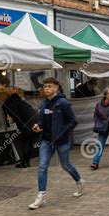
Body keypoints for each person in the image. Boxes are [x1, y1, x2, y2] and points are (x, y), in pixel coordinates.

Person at [29, 78, 84, 209]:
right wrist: (38, 126)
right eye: (44, 86)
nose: (46, 88)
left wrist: (62, 132)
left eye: (49, 86)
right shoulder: (43, 104)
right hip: (46, 140)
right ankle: (41, 196)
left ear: (56, 88)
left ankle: (79, 181)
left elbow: (73, 121)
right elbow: (43, 121)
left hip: (61, 141)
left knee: (66, 165)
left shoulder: (63, 103)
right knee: (42, 166)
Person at [1, 92, 39, 168]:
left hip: (28, 122)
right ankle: (26, 162)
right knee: (29, 141)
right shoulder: (17, 100)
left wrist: (20, 128)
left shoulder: (10, 105)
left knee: (26, 141)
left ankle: (25, 163)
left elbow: (17, 118)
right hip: (35, 119)